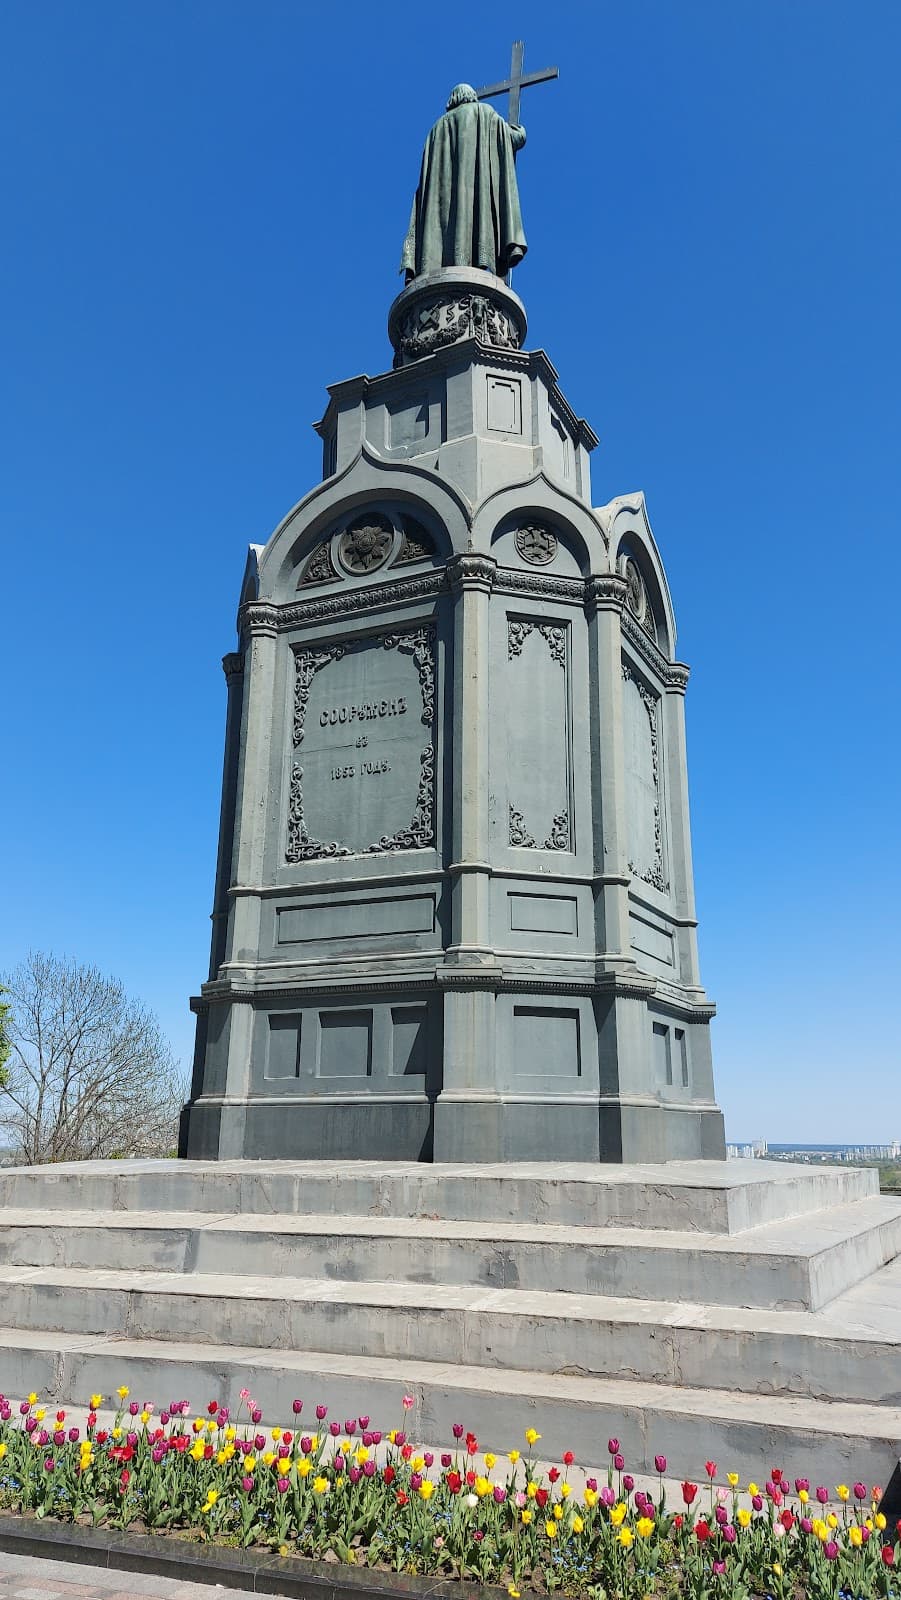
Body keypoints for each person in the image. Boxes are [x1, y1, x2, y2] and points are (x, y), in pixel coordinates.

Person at [400, 85, 527, 282]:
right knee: (475, 216)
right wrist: (521, 132)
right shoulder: (484, 112)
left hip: (441, 210)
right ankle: (475, 258)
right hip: (475, 200)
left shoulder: (436, 130)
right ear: (471, 97)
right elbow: (513, 138)